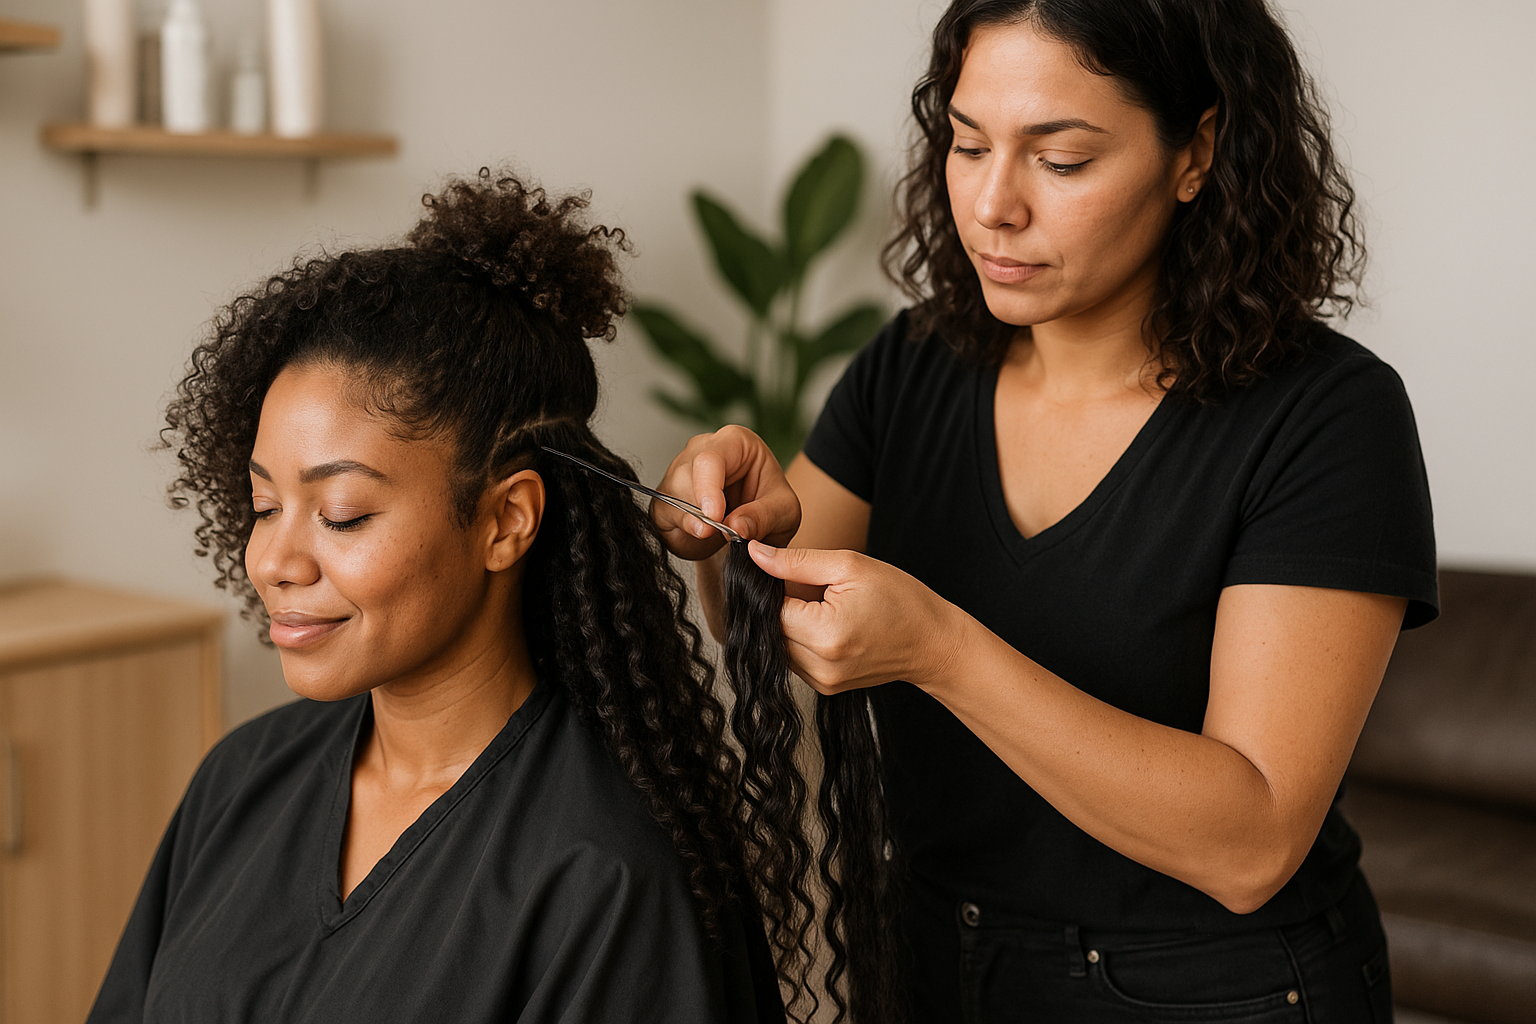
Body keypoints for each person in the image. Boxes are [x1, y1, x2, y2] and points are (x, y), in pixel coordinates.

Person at [654, 1, 1437, 1020]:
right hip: (933, 956)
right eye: (967, 143)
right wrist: (720, 532)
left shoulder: (1328, 418)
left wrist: (941, 648)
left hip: (1217, 987)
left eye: (1060, 161)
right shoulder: (914, 364)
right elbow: (764, 614)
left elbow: (1251, 843)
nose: (991, 205)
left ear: (1197, 151)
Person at [87, 171, 806, 1024]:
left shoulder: (603, 873)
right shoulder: (241, 780)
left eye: (342, 514)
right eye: (265, 507)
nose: (274, 559)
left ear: (505, 521)